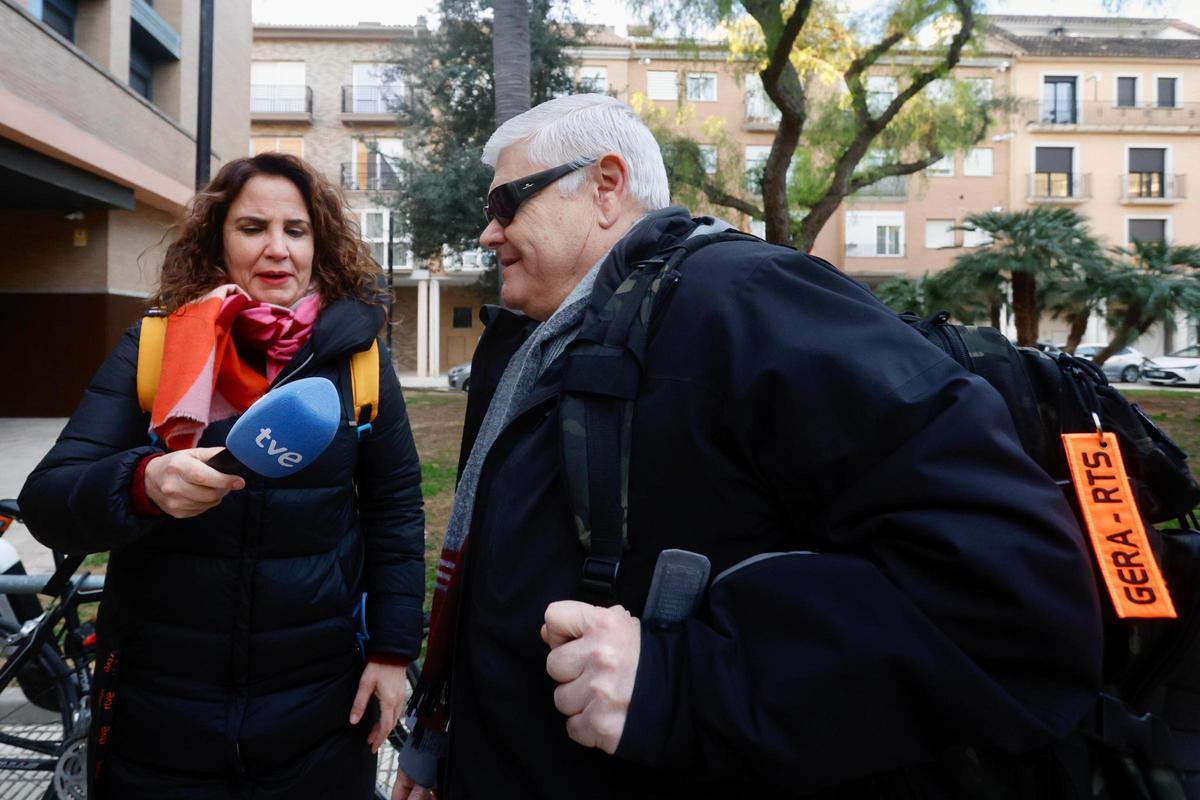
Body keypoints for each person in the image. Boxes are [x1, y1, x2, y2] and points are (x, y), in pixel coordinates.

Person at [393, 94, 1103, 799]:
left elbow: (1014, 600)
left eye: (507, 204)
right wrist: (438, 748)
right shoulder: (531, 343)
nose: (488, 234)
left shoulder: (748, 301)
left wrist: (683, 686)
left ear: (606, 186)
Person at [19, 153, 425, 800]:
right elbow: (49, 500)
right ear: (217, 240)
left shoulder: (357, 362)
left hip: (318, 717)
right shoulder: (154, 347)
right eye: (252, 227)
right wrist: (141, 484)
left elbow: (395, 509)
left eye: (296, 231)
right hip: (160, 722)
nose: (277, 249)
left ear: (318, 246)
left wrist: (393, 653)